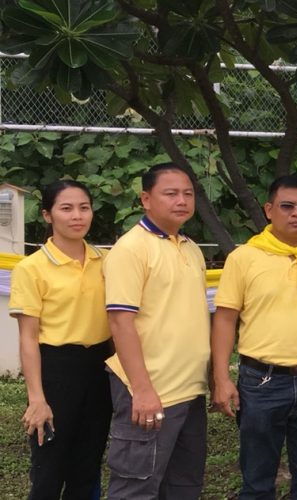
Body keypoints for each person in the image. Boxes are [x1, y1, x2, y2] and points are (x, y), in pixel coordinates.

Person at [210, 174, 297, 499]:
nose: (296, 213)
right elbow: (225, 320)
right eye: (287, 206)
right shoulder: (244, 258)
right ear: (269, 210)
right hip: (262, 383)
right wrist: (222, 379)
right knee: (257, 479)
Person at [104, 163, 210, 498]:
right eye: (171, 193)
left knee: (183, 486)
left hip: (190, 391)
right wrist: (142, 390)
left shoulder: (191, 248)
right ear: (146, 199)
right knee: (135, 488)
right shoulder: (131, 249)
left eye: (188, 193)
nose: (182, 201)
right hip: (150, 391)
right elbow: (120, 321)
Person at [9, 180, 111, 500]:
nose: (77, 216)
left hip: (100, 367)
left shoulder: (107, 261)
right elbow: (28, 338)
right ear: (47, 215)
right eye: (66, 208)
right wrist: (37, 399)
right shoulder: (31, 268)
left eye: (84, 207)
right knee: (49, 468)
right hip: (55, 369)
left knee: (88, 465)